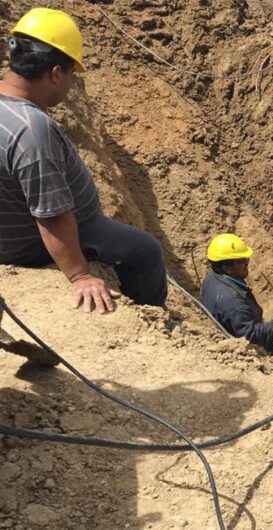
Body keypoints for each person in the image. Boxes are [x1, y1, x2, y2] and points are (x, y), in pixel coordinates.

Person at [0, 8, 167, 313]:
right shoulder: (31, 130)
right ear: (55, 74)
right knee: (145, 250)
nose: (70, 84)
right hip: (41, 240)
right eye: (71, 75)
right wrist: (79, 275)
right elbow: (52, 215)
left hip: (11, 230)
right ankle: (155, 316)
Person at [201, 233, 273, 354]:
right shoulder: (233, 302)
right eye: (241, 260)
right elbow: (250, 336)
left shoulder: (213, 277)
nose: (247, 262)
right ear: (227, 267)